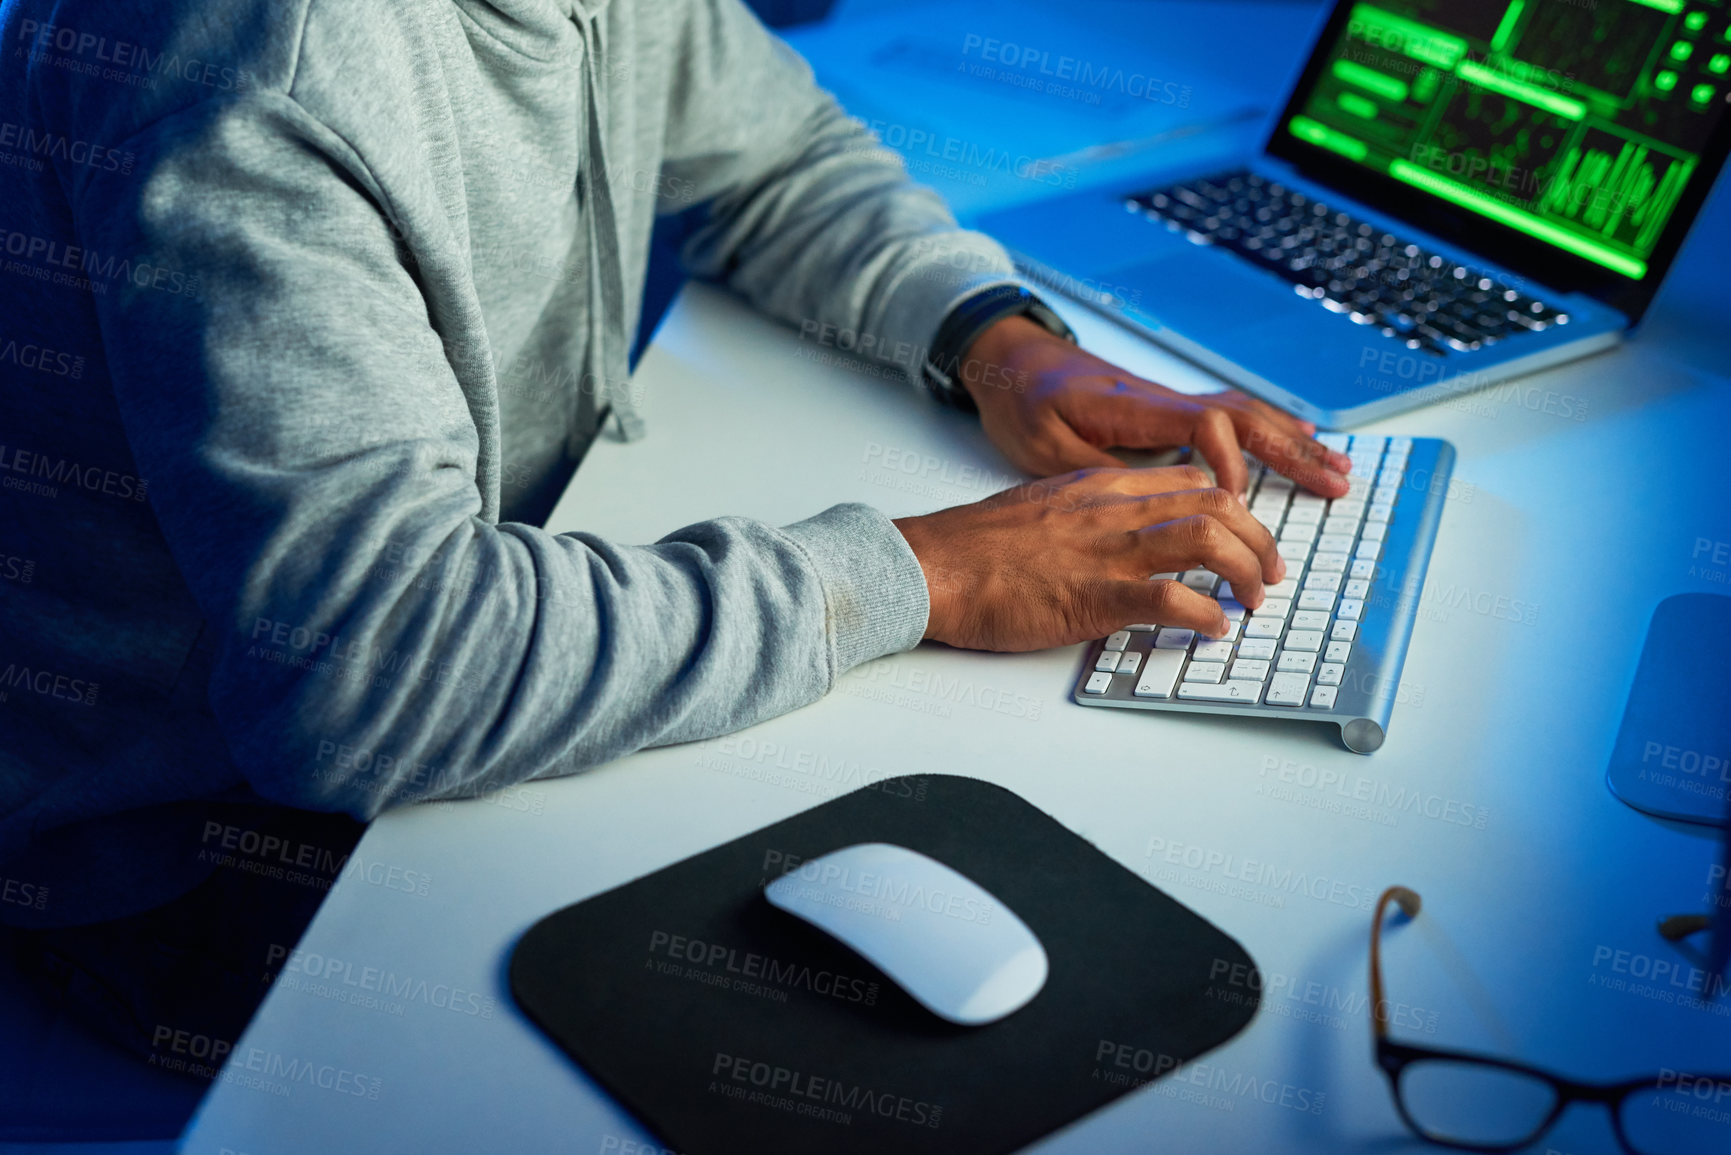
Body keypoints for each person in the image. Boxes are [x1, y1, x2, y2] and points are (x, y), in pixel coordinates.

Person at [0, 0, 1348, 1071]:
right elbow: (368, 672)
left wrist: (991, 343)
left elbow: (773, 155)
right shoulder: (252, 65)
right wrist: (932, 570)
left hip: (457, 635)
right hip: (195, 849)